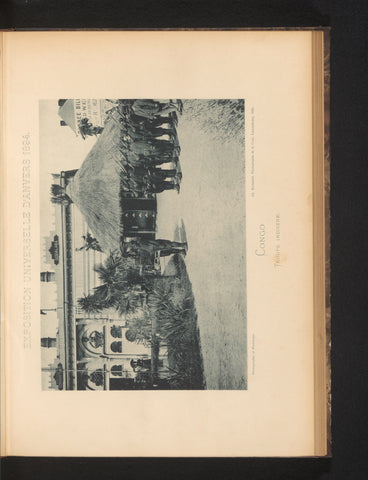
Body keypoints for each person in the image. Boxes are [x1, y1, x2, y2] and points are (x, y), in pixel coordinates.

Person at [123, 238, 188, 258]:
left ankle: (183, 245)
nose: (127, 250)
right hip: (154, 251)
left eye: (126, 249)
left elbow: (143, 244)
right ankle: (181, 251)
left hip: (155, 246)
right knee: (168, 251)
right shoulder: (133, 247)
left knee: (169, 245)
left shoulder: (133, 244)